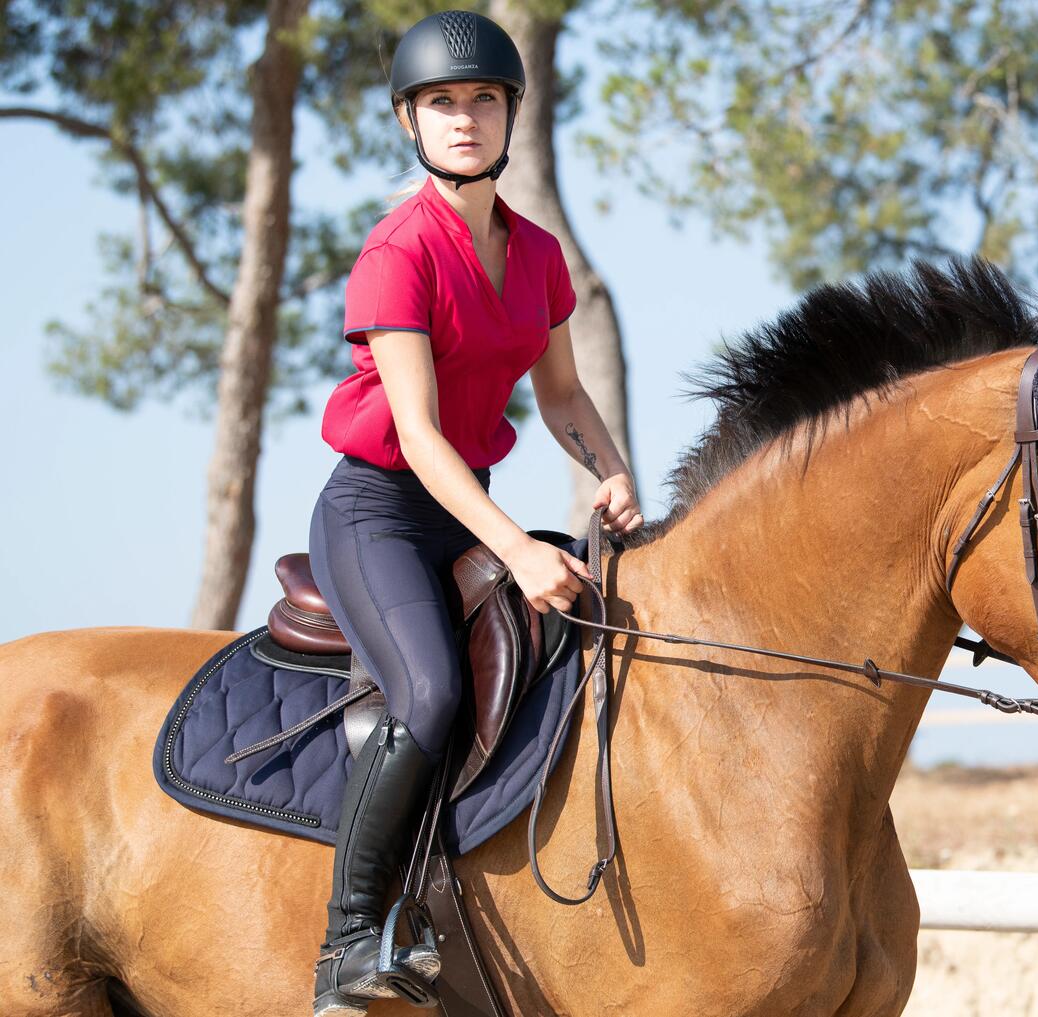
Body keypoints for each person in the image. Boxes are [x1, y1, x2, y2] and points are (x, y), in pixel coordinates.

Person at [306, 11, 643, 1015]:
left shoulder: (537, 253)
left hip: (465, 511)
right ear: (411, 122)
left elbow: (564, 398)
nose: (464, 120)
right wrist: (517, 550)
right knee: (431, 694)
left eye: (482, 101)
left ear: (510, 116)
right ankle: (350, 943)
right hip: (380, 514)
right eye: (442, 104)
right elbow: (415, 434)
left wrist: (612, 472)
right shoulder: (396, 250)